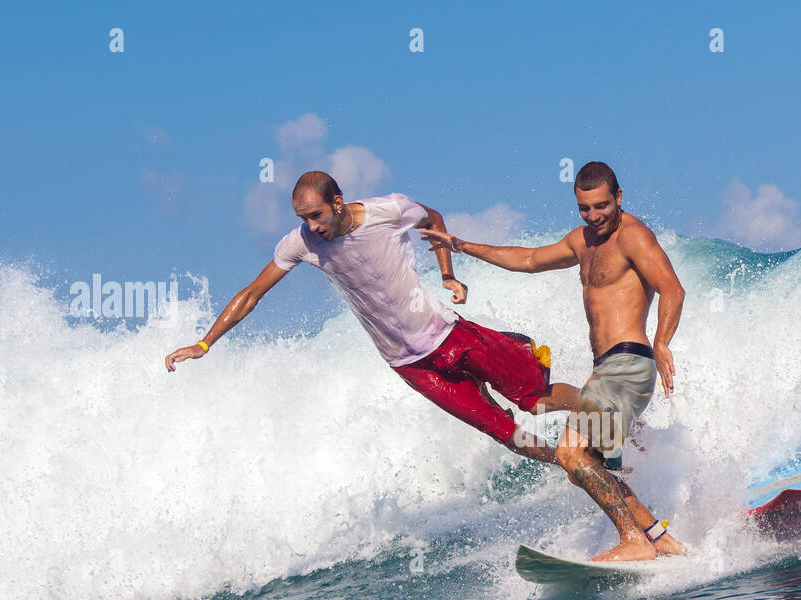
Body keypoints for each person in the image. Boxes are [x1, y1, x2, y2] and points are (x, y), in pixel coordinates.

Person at [164, 170, 579, 462]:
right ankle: (574, 466)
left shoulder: (389, 211)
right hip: (411, 365)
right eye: (302, 219)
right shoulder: (301, 243)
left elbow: (432, 219)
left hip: (447, 334)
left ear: (337, 203)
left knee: (534, 401)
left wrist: (447, 273)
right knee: (506, 434)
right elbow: (252, 293)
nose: (310, 226)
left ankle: (607, 414)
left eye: (315, 215)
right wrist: (204, 344)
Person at [420, 161, 686, 561]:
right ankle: (659, 539)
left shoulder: (634, 236)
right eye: (584, 208)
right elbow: (528, 260)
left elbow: (673, 290)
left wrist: (662, 342)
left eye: (601, 206)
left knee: (570, 454)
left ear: (619, 197)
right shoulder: (583, 241)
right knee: (591, 468)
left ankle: (633, 542)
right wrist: (461, 245)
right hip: (607, 370)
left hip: (628, 364)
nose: (594, 216)